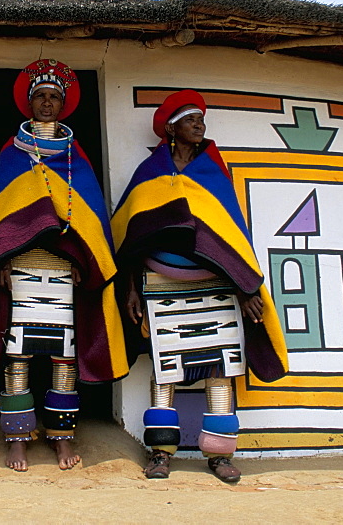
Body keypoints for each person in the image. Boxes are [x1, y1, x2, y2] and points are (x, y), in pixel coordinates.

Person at [111, 89, 288, 482]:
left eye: (201, 120)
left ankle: (219, 455)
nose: (199, 125)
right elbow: (131, 236)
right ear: (172, 128)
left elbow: (232, 234)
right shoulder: (149, 174)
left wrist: (244, 286)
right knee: (166, 368)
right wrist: (132, 287)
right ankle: (160, 452)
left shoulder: (213, 173)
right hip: (160, 283)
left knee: (221, 370)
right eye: (191, 120)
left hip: (217, 287)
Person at [0, 59, 128, 472]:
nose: (46, 103)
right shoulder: (11, 154)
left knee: (64, 360)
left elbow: (89, 221)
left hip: (62, 275)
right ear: (28, 103)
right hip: (19, 271)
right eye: (39, 96)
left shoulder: (77, 160)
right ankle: (17, 440)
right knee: (17, 358)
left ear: (63, 104)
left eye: (54, 97)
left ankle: (62, 438)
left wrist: (84, 262)